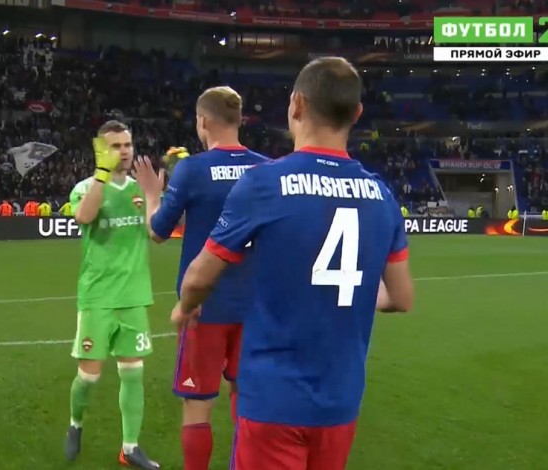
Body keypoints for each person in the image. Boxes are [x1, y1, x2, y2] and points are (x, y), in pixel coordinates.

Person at [174, 57, 415, 470]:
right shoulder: (381, 194)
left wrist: (186, 306)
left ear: (297, 104)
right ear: (357, 113)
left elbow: (198, 277)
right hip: (340, 402)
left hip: (274, 399)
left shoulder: (265, 182)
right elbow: (402, 297)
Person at [133, 86, 270, 470]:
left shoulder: (193, 169)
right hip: (255, 307)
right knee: (248, 400)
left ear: (203, 121)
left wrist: (152, 195)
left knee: (197, 405)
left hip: (203, 305)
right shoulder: (267, 169)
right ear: (239, 120)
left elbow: (158, 231)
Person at [63, 120, 160, 469]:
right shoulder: (85, 188)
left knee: (133, 372)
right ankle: (75, 424)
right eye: (116, 146)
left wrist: (153, 195)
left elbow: (155, 233)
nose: (124, 151)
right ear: (101, 150)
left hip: (134, 295)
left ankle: (130, 447)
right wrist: (102, 176)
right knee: (88, 376)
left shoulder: (139, 189)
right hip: (98, 297)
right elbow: (84, 216)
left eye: (127, 145)